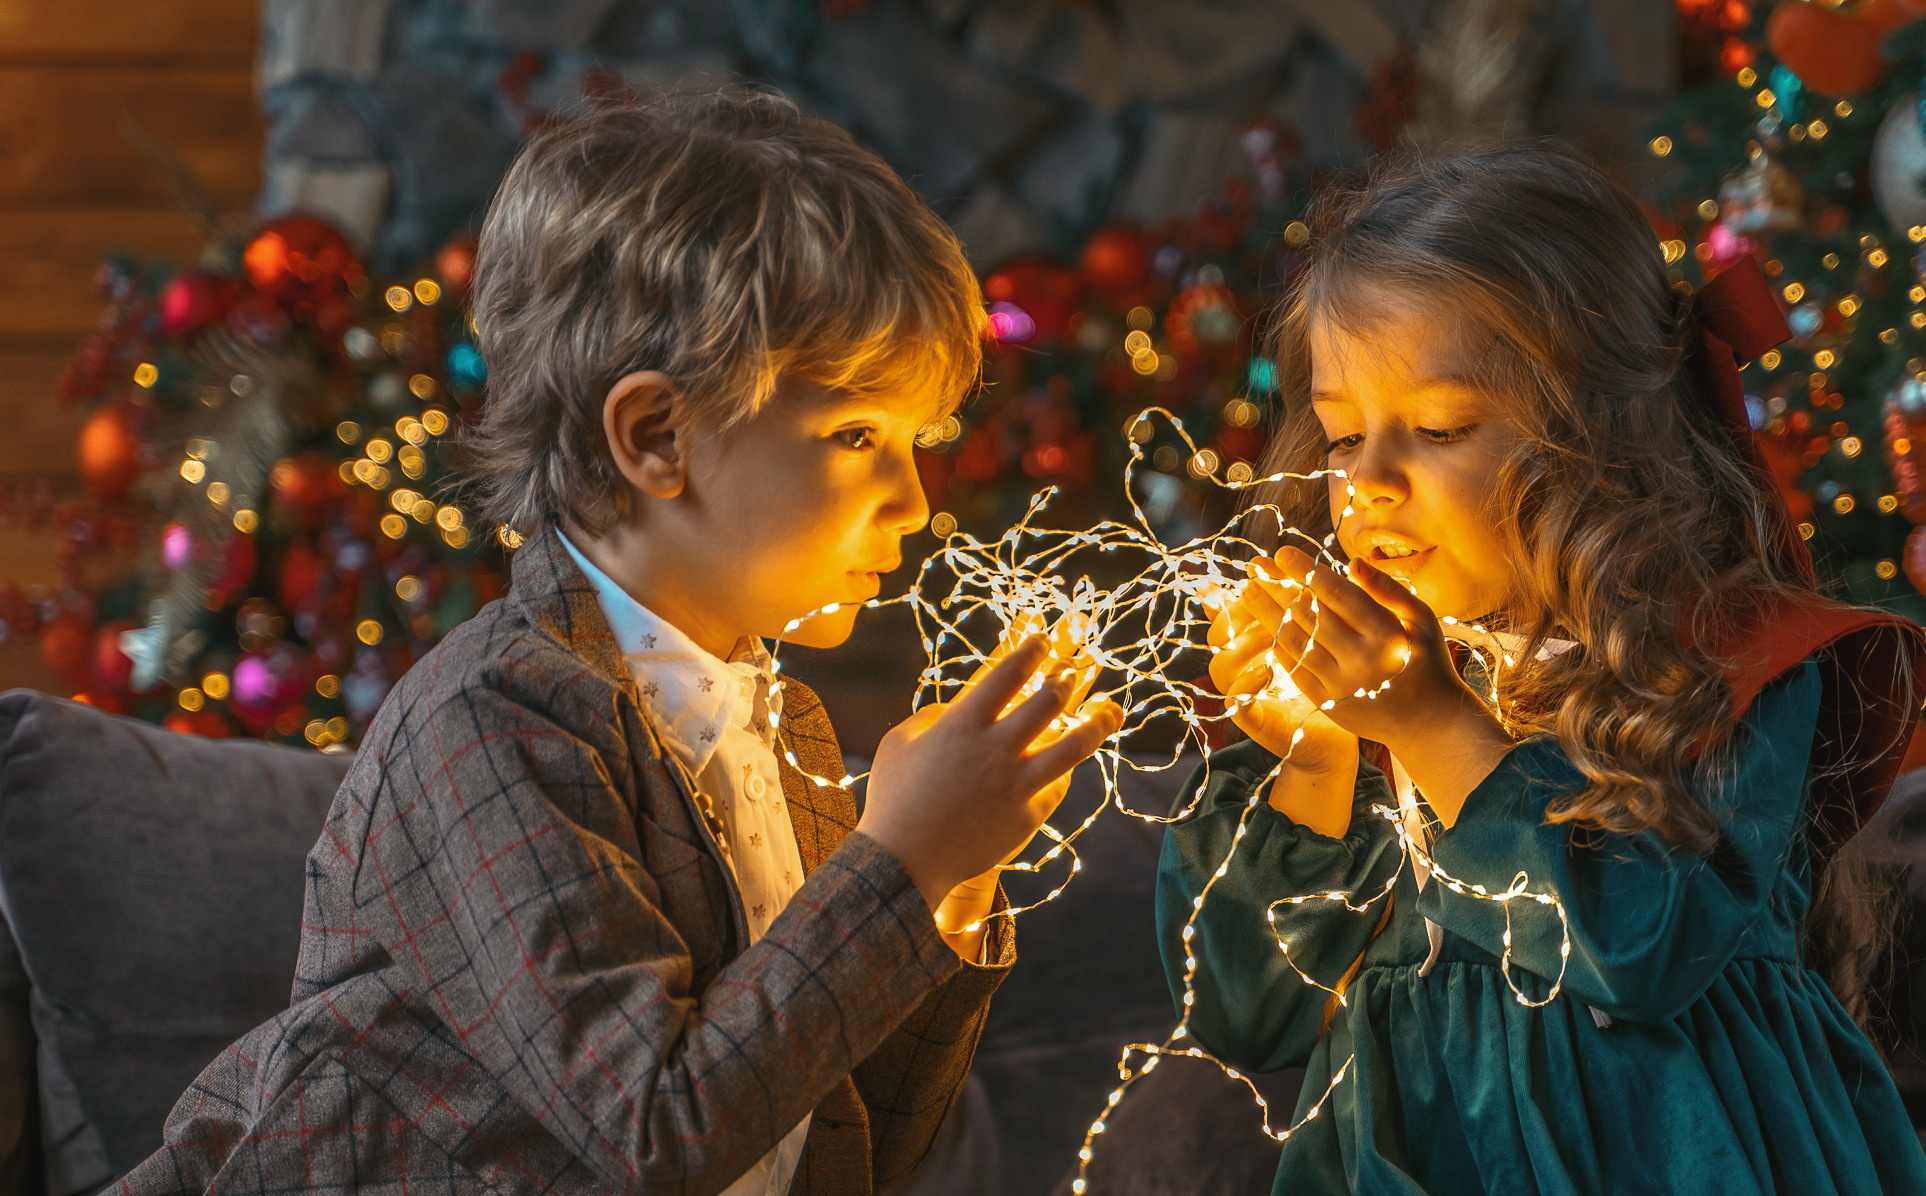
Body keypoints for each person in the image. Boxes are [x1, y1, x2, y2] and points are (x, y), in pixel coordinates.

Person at [118, 91, 1121, 1195]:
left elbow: (851, 1139)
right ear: (655, 435)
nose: (915, 499)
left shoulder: (782, 731)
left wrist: (952, 881)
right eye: (856, 434)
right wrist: (898, 862)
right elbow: (657, 1132)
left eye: (916, 440)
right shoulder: (495, 721)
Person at [1158, 142, 1926, 1194]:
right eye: (1341, 436)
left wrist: (1435, 729)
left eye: (1438, 427)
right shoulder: (1377, 675)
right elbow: (1247, 1011)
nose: (1369, 480)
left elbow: (1644, 946)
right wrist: (1312, 758)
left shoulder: (1738, 662)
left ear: (1601, 438)